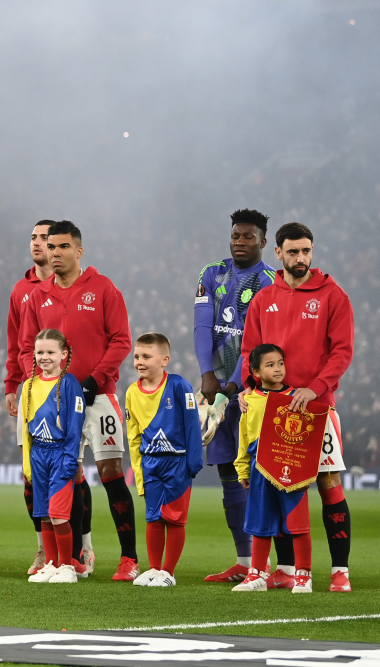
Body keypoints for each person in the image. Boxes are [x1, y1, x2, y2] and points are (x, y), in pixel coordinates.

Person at [18, 220, 137, 581]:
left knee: (111, 474)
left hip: (97, 396)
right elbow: (26, 347)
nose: (55, 253)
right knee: (57, 473)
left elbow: (121, 341)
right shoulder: (38, 296)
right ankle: (70, 559)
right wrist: (39, 384)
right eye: (51, 247)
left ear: (79, 250)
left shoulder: (103, 289)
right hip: (50, 403)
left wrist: (92, 380)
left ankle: (128, 558)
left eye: (63, 246)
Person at [240, 222, 355, 592]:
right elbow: (249, 353)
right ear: (278, 254)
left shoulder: (333, 296)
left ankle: (340, 570)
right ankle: (287, 568)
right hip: (274, 411)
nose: (301, 258)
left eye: (306, 251)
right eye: (293, 252)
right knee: (278, 485)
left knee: (328, 483)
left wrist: (315, 388)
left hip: (317, 409)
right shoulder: (262, 299)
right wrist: (248, 387)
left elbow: (342, 351)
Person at [193, 209, 276, 583]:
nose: (239, 242)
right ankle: (244, 562)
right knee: (228, 471)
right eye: (235, 236)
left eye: (247, 237)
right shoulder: (212, 273)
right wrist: (207, 375)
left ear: (262, 241)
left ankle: (276, 565)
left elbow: (260, 343)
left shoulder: (271, 281)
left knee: (264, 475)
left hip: (255, 393)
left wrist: (233, 387)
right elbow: (201, 326)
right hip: (219, 388)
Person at [3, 219, 65, 575]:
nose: (38, 244)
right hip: (31, 393)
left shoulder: (64, 287)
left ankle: (80, 549)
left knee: (71, 473)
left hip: (66, 392)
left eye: (46, 238)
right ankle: (44, 550)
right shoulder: (21, 290)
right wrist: (13, 384)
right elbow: (16, 344)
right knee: (33, 475)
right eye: (34, 238)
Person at [232, 344, 317, 594]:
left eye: (280, 363)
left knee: (298, 523)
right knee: (260, 521)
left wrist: (308, 469)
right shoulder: (249, 401)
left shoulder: (297, 397)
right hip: (260, 468)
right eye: (270, 365)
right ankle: (256, 574)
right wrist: (242, 470)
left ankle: (303, 575)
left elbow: (308, 437)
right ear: (256, 371)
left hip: (292, 468)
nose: (278, 368)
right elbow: (245, 437)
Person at [125, 333, 202, 588]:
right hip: (150, 463)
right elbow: (133, 436)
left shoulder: (179, 386)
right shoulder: (131, 392)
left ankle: (168, 572)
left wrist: (193, 461)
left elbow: (192, 425)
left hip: (177, 461)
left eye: (147, 356)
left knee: (174, 518)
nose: (139, 361)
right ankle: (155, 568)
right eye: (137, 356)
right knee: (153, 517)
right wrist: (138, 471)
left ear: (164, 359)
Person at [21, 329, 86, 584]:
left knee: (59, 514)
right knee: (44, 514)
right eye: (39, 352)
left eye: (50, 352)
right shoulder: (28, 385)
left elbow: (75, 425)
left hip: (60, 454)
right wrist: (27, 461)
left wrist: (71, 458)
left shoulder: (70, 384)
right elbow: (26, 431)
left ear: (63, 354)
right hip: (38, 454)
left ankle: (67, 566)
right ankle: (50, 564)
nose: (44, 357)